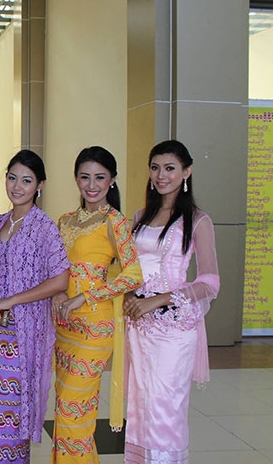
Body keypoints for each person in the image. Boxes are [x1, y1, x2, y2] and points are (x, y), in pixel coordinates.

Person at [123, 140, 220, 464]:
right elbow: (129, 269)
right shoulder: (140, 217)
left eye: (170, 168)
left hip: (173, 328)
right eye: (155, 168)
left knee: (165, 406)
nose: (161, 175)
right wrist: (130, 295)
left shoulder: (197, 220)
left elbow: (210, 281)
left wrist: (159, 300)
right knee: (140, 406)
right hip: (139, 326)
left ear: (186, 172)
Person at [0, 150, 70, 463]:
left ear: (39, 185)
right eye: (12, 178)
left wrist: (11, 300)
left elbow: (61, 279)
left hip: (22, 336)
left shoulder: (44, 227)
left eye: (26, 180)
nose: (17, 186)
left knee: (12, 412)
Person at [52, 146, 142, 464]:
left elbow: (133, 275)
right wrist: (58, 294)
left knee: (71, 410)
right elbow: (55, 269)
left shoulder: (116, 222)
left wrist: (84, 296)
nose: (92, 185)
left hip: (95, 327)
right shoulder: (64, 221)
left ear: (112, 180)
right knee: (69, 410)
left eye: (100, 177)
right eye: (85, 177)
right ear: (76, 178)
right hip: (64, 326)